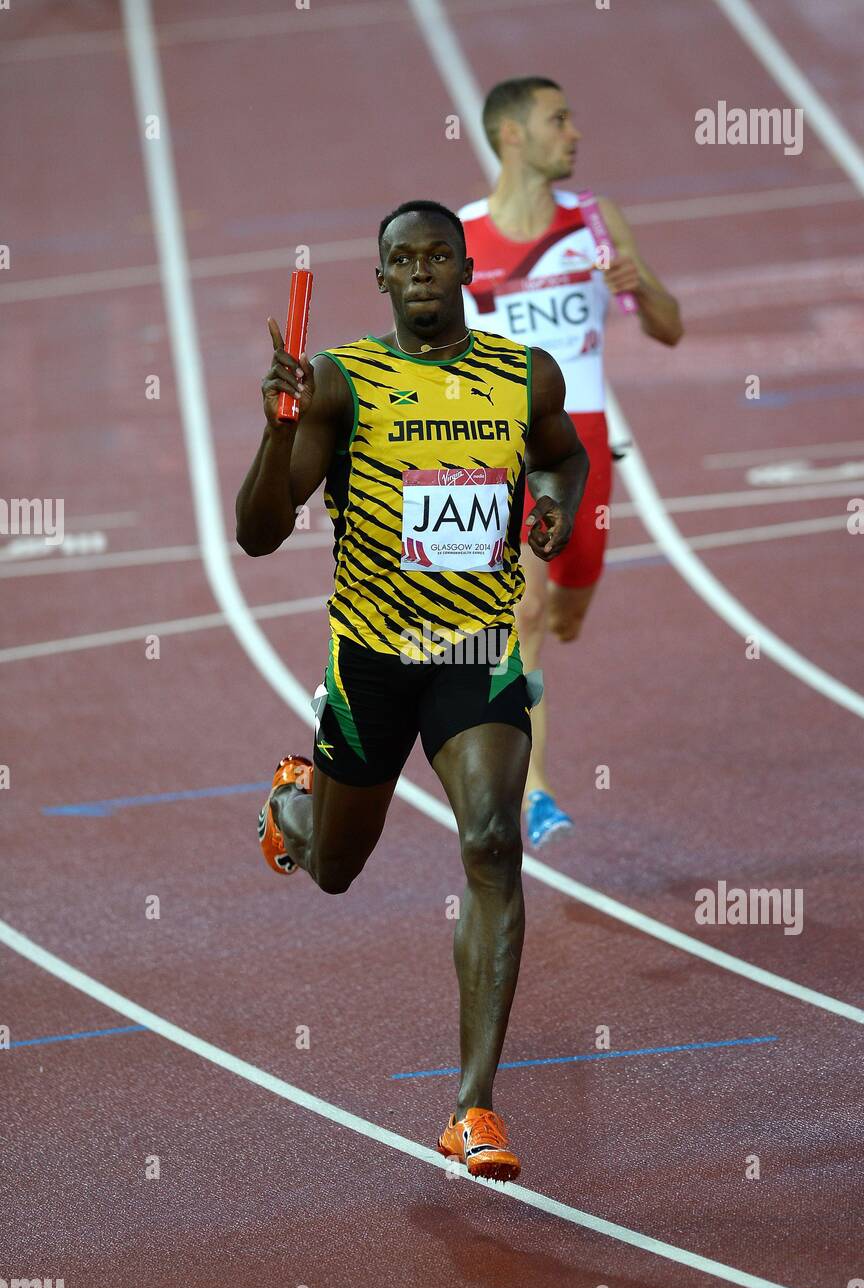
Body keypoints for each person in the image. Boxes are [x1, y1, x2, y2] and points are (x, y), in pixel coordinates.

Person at [235, 200, 589, 1181]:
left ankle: (472, 1107)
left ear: (466, 266)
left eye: (439, 253)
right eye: (403, 258)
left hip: (476, 653)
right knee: (334, 869)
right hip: (373, 663)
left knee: (489, 840)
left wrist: (552, 505)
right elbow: (259, 533)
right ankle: (290, 802)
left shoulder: (524, 376)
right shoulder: (346, 380)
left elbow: (563, 453)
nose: (423, 269)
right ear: (382, 278)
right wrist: (277, 432)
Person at [458, 77, 683, 847]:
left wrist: (639, 284)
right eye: (559, 119)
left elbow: (669, 329)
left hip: (584, 443)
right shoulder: (460, 238)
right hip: (503, 446)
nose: (575, 132)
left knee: (567, 614)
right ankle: (537, 793)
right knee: (520, 613)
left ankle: (529, 709)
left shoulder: (594, 222)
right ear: (512, 135)